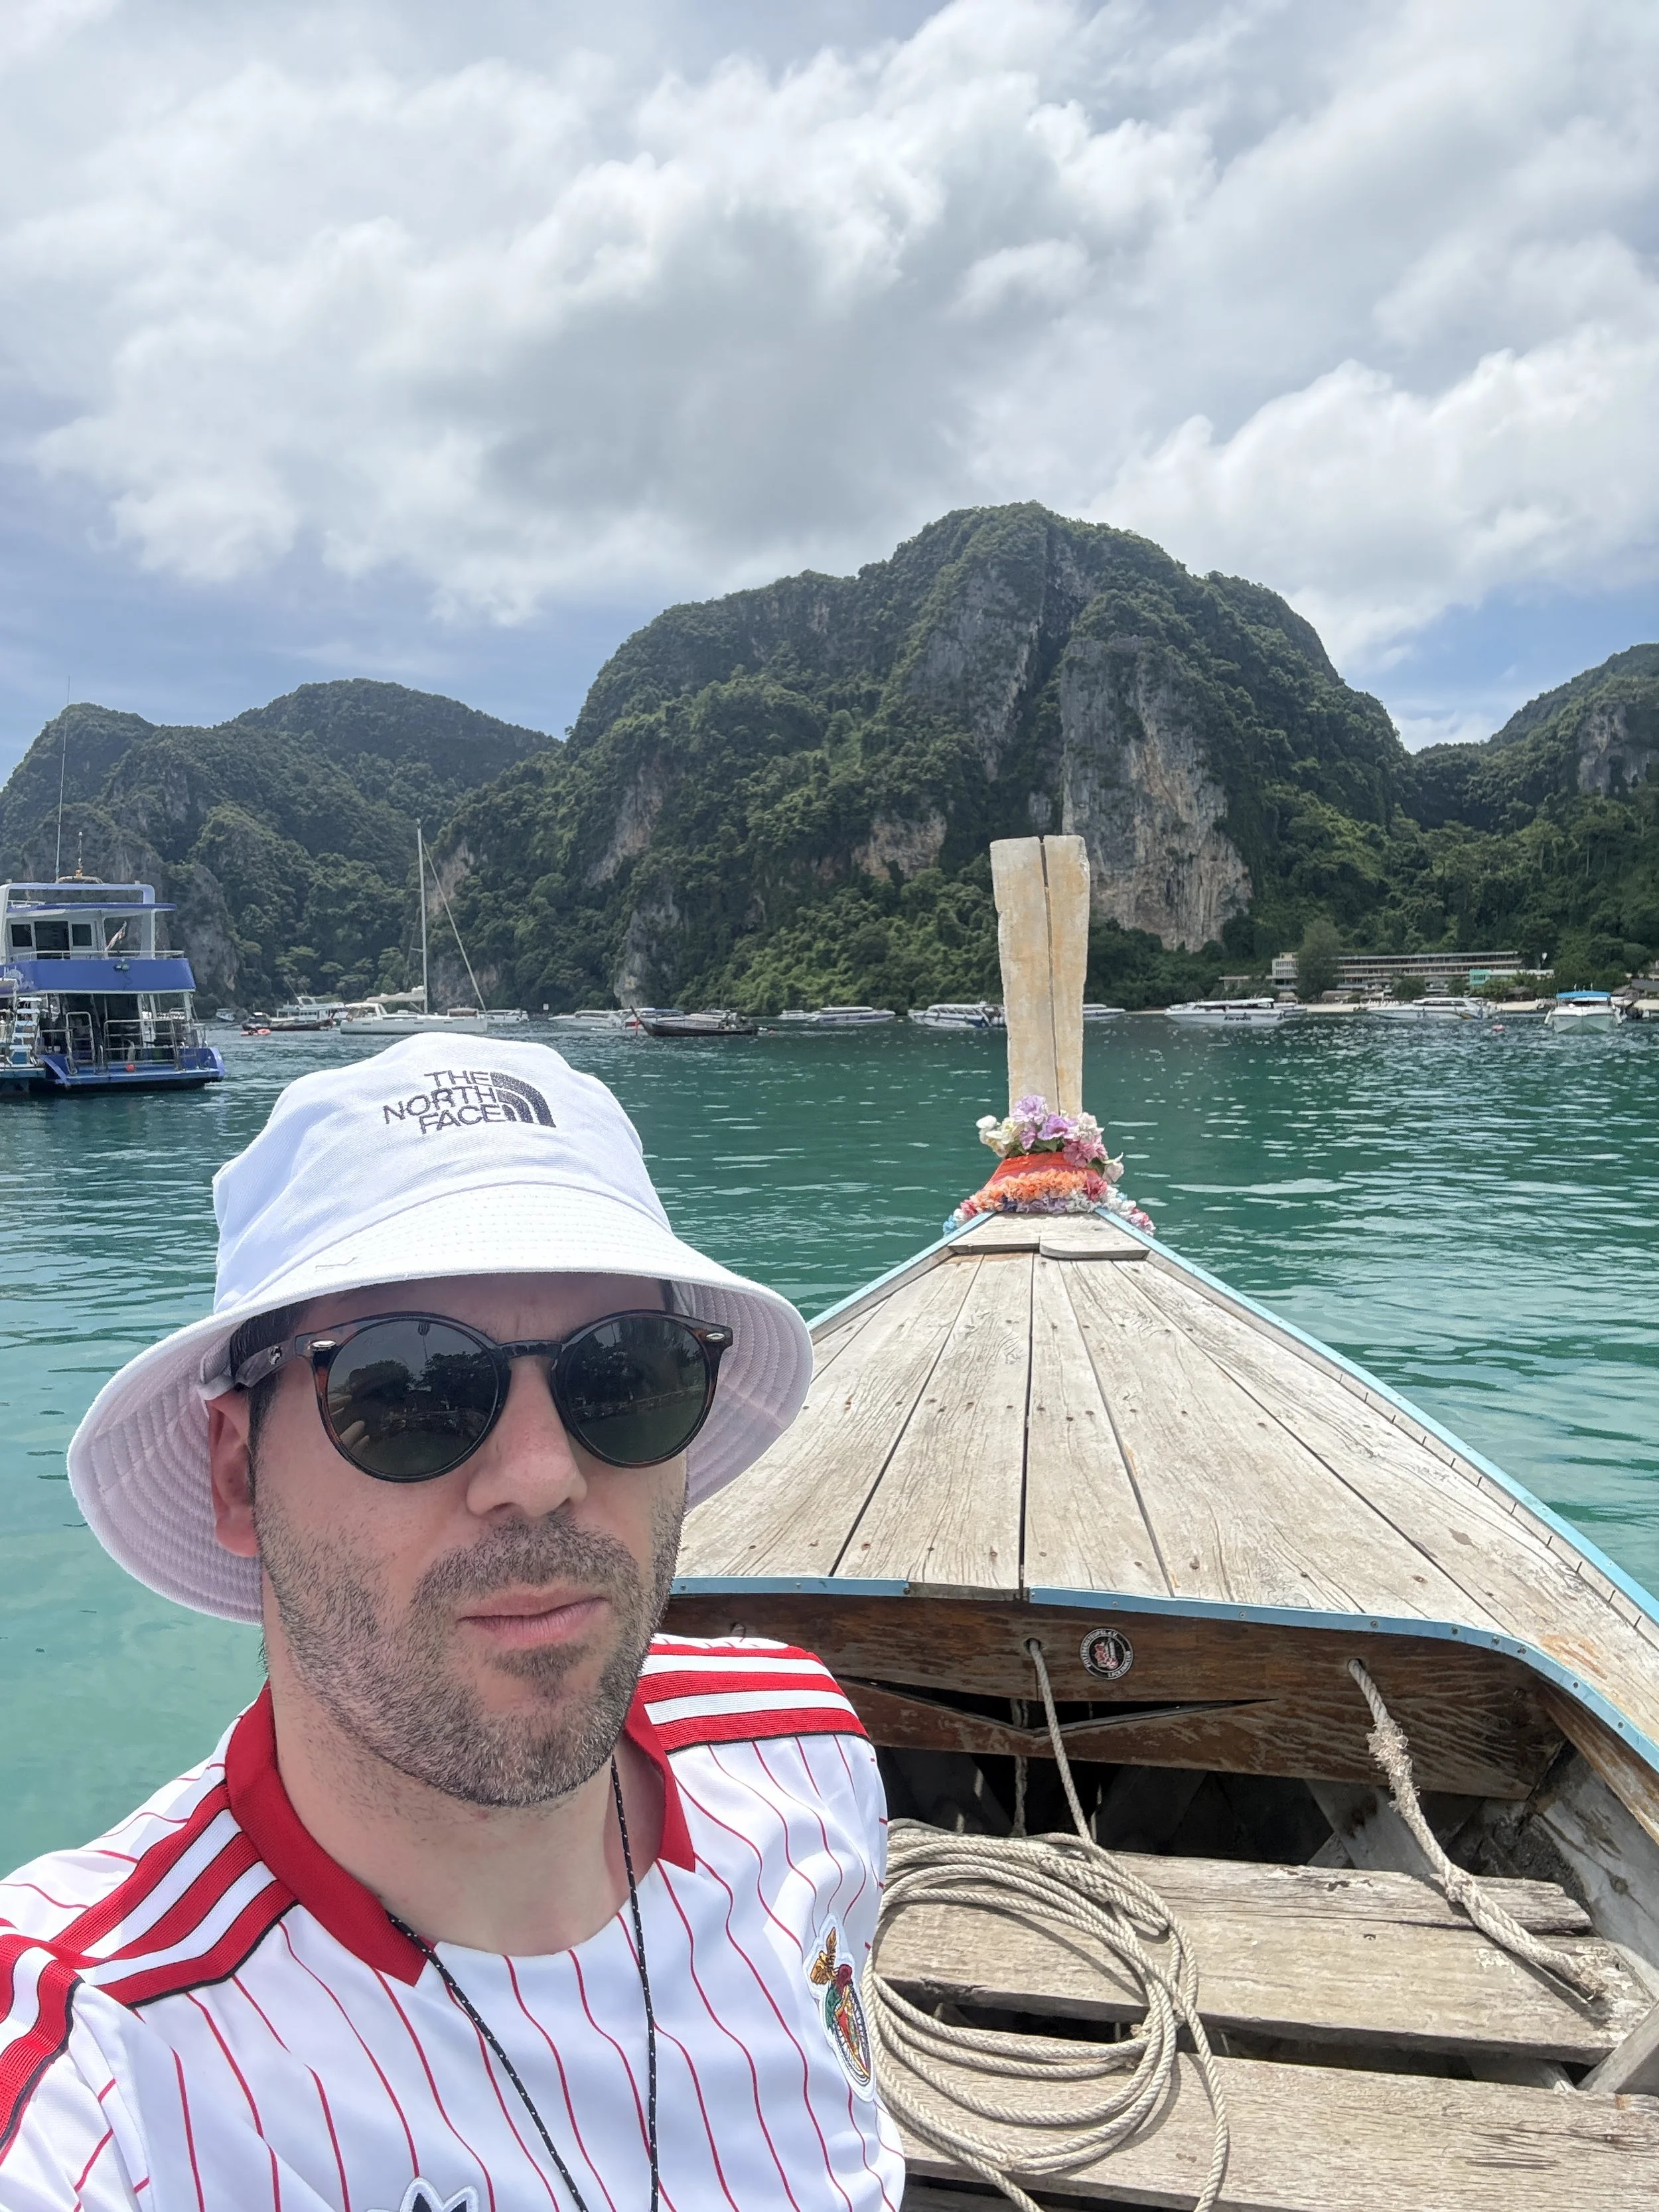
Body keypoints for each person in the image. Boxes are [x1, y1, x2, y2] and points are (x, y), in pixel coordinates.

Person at [0, 1041, 902, 2210]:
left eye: (625, 1372)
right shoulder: (106, 2093)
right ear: (237, 1474)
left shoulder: (805, 1758)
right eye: (408, 1391)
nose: (539, 1475)